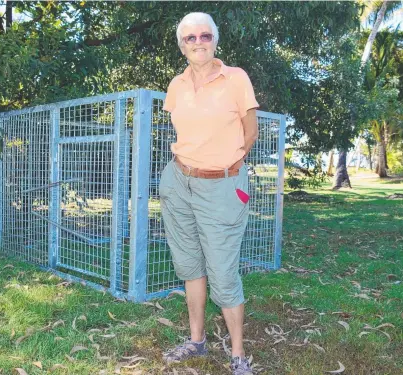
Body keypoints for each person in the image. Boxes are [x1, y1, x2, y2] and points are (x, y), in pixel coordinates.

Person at [159, 12, 259, 375]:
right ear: (181, 45)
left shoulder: (235, 78)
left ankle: (237, 355)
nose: (198, 42)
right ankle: (197, 341)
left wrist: (227, 165)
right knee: (190, 267)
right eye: (190, 38)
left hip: (222, 186)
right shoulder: (176, 85)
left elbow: (250, 131)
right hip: (178, 181)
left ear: (215, 40)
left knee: (223, 272)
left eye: (205, 36)